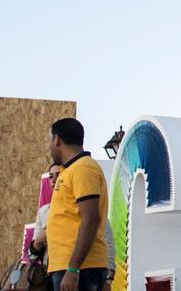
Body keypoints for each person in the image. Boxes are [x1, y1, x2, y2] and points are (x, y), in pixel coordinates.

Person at [46, 118, 110, 291]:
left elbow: (91, 219)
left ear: (57, 139)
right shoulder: (69, 170)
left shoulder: (83, 169)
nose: (50, 147)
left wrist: (73, 268)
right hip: (69, 268)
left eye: (50, 140)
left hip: (80, 269)